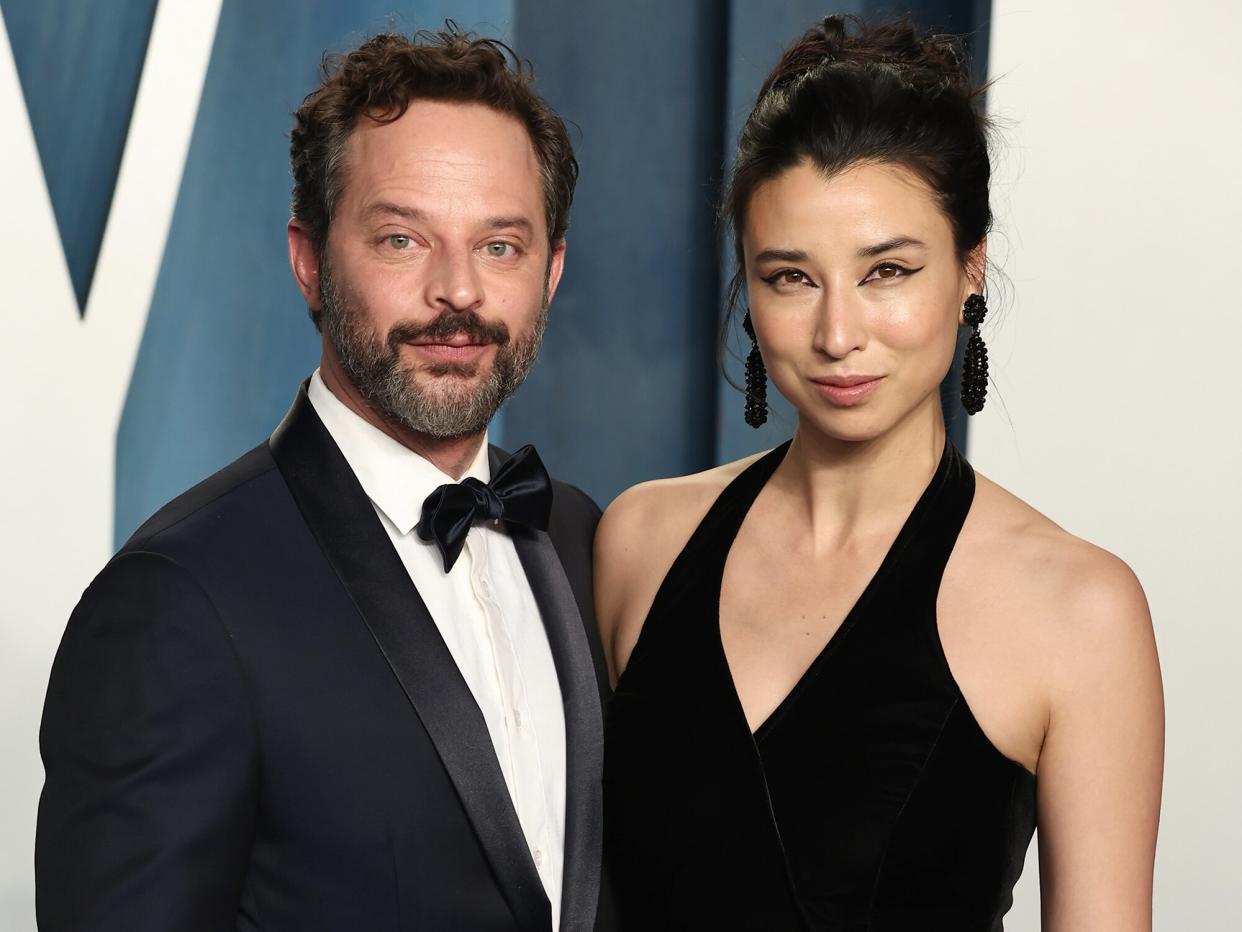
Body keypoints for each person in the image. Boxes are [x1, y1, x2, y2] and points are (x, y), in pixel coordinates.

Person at [596, 16, 1163, 931]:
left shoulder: (1079, 610)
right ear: (748, 284)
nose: (837, 334)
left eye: (887, 270)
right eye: (790, 277)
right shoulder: (638, 542)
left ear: (970, 269)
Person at [36, 28, 609, 932]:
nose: (457, 292)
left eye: (500, 246)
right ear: (310, 261)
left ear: (553, 270)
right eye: (401, 240)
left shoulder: (580, 540)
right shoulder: (178, 601)